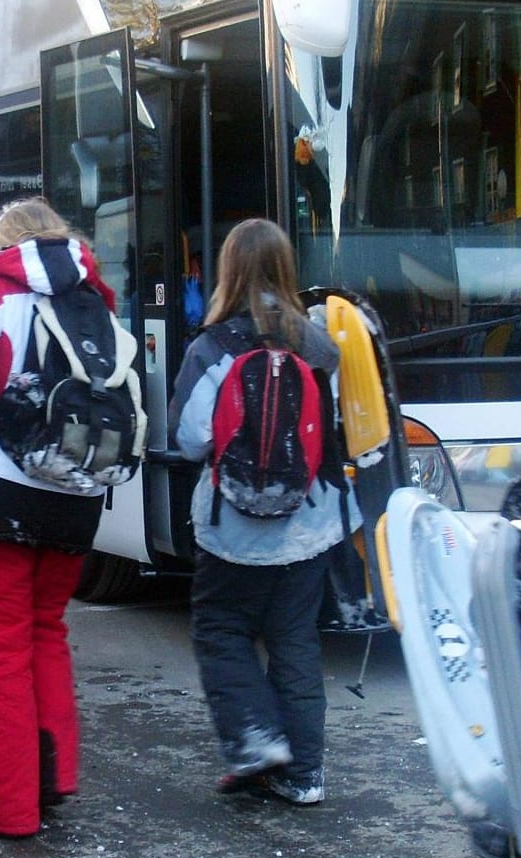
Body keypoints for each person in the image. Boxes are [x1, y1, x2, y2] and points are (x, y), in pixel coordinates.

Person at [0, 198, 109, 837]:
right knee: (45, 630)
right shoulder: (95, 296)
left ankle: (6, 806)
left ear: (4, 242)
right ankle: (51, 777)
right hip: (79, 486)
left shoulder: (2, 288)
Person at [167, 218, 348, 806]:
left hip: (234, 525)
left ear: (228, 272)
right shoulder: (321, 348)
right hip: (310, 521)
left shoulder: (213, 347)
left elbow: (191, 438)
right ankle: (305, 774)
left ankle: (255, 737)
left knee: (222, 629)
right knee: (295, 636)